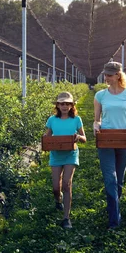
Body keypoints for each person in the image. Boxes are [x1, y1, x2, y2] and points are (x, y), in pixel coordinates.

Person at [93, 62, 126, 229]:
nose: (106, 77)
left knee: (119, 180)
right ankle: (114, 220)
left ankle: (114, 207)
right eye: (105, 74)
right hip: (106, 139)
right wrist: (96, 126)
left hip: (125, 140)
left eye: (110, 75)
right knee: (110, 179)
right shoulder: (100, 95)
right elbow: (97, 119)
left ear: (118, 75)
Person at [44, 92, 87, 229]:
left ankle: (66, 218)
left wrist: (78, 137)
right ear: (57, 105)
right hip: (56, 155)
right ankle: (58, 200)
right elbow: (47, 136)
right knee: (56, 188)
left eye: (67, 104)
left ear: (71, 105)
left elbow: (84, 138)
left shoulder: (76, 119)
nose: (64, 106)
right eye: (62, 103)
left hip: (70, 154)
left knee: (67, 185)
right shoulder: (52, 120)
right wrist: (45, 141)